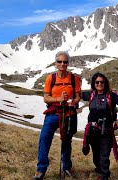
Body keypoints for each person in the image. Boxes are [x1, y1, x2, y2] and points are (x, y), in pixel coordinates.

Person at [33, 51, 81, 180]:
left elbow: (77, 96)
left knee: (66, 141)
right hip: (53, 113)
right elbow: (46, 98)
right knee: (44, 138)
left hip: (68, 113)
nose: (62, 64)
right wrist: (59, 99)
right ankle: (41, 169)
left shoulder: (74, 78)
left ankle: (66, 167)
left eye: (65, 62)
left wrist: (73, 102)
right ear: (55, 63)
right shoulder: (51, 78)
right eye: (60, 62)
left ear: (68, 63)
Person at [81, 72, 118, 180]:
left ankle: (104, 176)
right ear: (94, 83)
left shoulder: (111, 96)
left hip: (106, 131)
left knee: (104, 155)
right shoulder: (91, 94)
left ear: (105, 83)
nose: (99, 84)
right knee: (96, 154)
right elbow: (77, 94)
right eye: (97, 82)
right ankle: (99, 169)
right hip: (93, 131)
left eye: (102, 82)